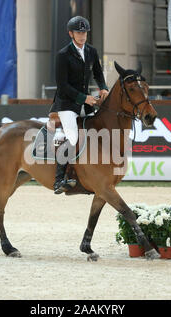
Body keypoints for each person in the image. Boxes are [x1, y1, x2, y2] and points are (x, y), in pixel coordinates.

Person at [50, 16, 109, 194]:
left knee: (95, 131)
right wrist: (84, 98)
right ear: (71, 34)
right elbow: (63, 85)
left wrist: (104, 88)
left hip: (85, 102)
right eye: (78, 32)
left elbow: (98, 74)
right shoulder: (63, 55)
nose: (82, 35)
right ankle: (59, 180)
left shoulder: (91, 51)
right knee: (73, 138)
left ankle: (90, 175)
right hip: (67, 103)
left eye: (84, 32)